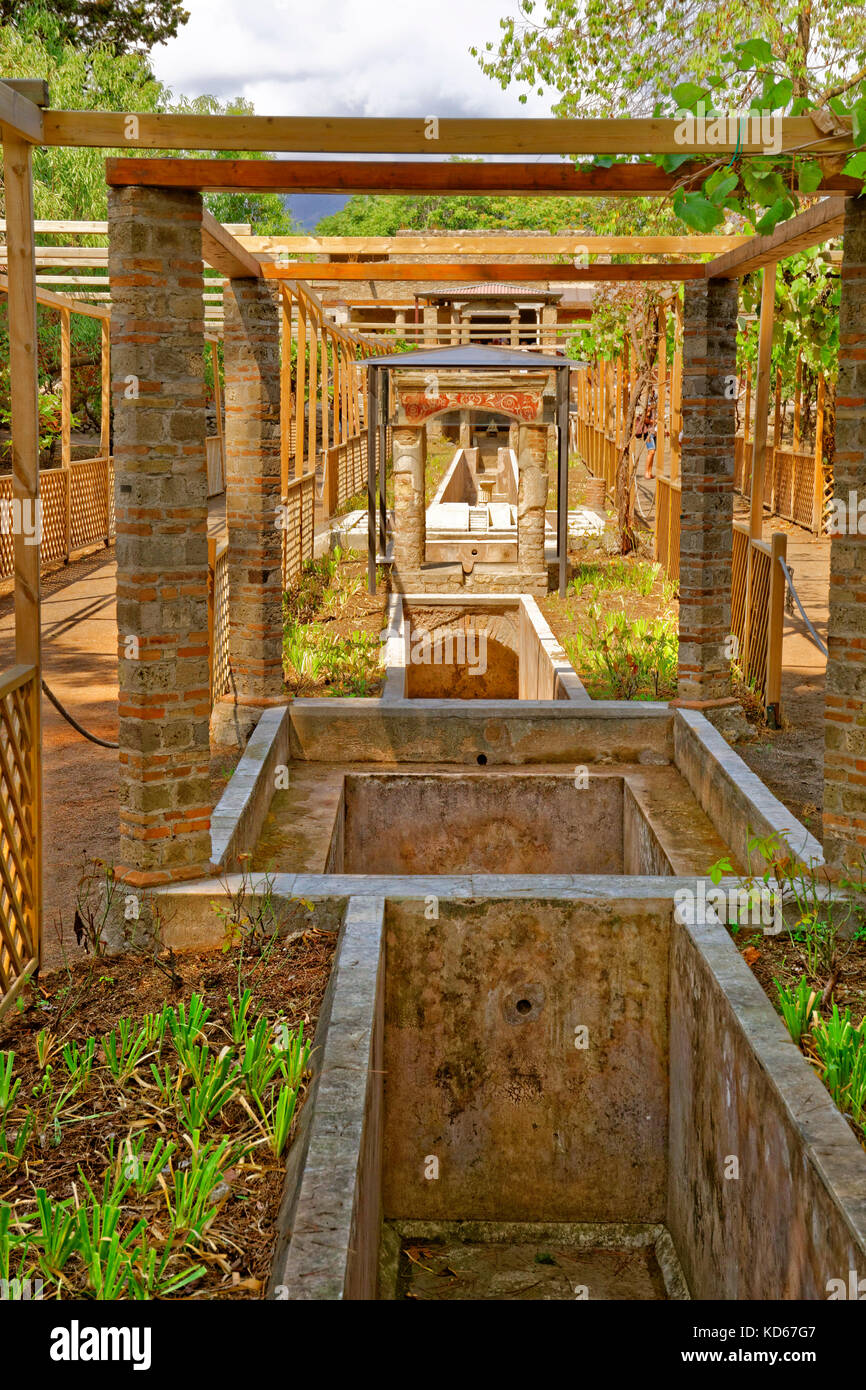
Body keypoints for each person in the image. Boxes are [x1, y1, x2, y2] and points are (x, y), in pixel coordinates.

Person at [636, 390, 657, 480]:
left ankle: (649, 472)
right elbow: (645, 420)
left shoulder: (654, 408)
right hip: (649, 432)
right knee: (651, 451)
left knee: (652, 452)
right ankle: (646, 472)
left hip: (654, 431)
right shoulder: (648, 408)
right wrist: (654, 422)